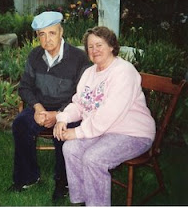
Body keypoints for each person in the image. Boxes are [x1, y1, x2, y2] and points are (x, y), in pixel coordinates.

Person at [53, 26, 156, 206]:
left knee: (94, 159)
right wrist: (63, 118)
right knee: (70, 149)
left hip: (133, 133)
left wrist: (77, 132)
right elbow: (79, 103)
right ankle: (83, 199)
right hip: (104, 130)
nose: (95, 50)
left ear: (111, 46)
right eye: (90, 47)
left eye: (99, 45)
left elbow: (109, 113)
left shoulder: (124, 71)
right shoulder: (89, 72)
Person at [9, 11, 90, 201]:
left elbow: (81, 96)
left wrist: (58, 114)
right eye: (42, 35)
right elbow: (25, 87)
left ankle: (63, 182)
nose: (47, 39)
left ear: (61, 31)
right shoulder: (35, 56)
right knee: (21, 124)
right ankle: (28, 177)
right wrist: (37, 108)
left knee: (64, 131)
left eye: (51, 33)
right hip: (41, 109)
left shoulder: (79, 58)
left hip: (68, 111)